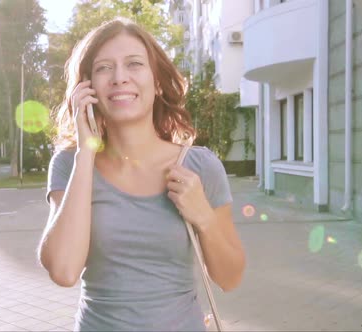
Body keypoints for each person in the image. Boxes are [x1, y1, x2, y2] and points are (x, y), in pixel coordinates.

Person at [38, 17, 245, 331]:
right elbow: (64, 271)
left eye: (134, 64)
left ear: (157, 81)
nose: (119, 78)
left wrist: (203, 215)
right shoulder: (71, 164)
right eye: (104, 68)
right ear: (87, 86)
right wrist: (86, 154)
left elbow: (230, 278)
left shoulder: (200, 166)